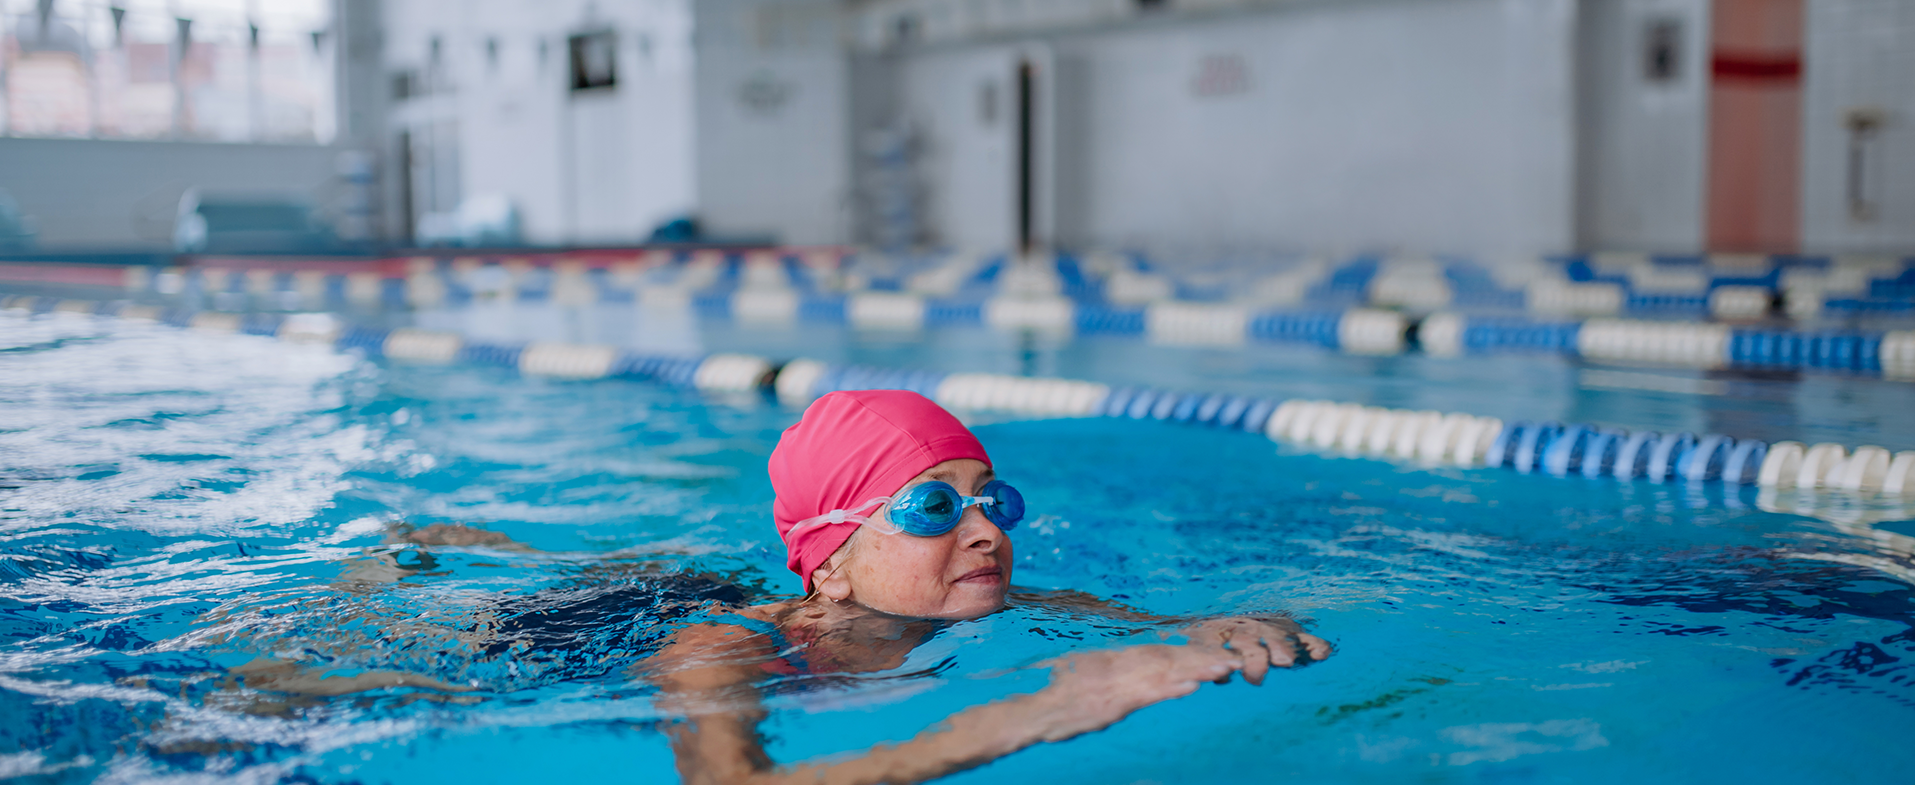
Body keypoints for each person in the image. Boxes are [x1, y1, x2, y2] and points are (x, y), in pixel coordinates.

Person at [645, 389, 1332, 785]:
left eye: (990, 499)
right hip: (582, 622)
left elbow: (1181, 621)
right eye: (933, 506)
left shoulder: (1015, 603)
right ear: (830, 565)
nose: (985, 533)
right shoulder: (717, 649)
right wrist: (1029, 715)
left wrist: (1244, 622)